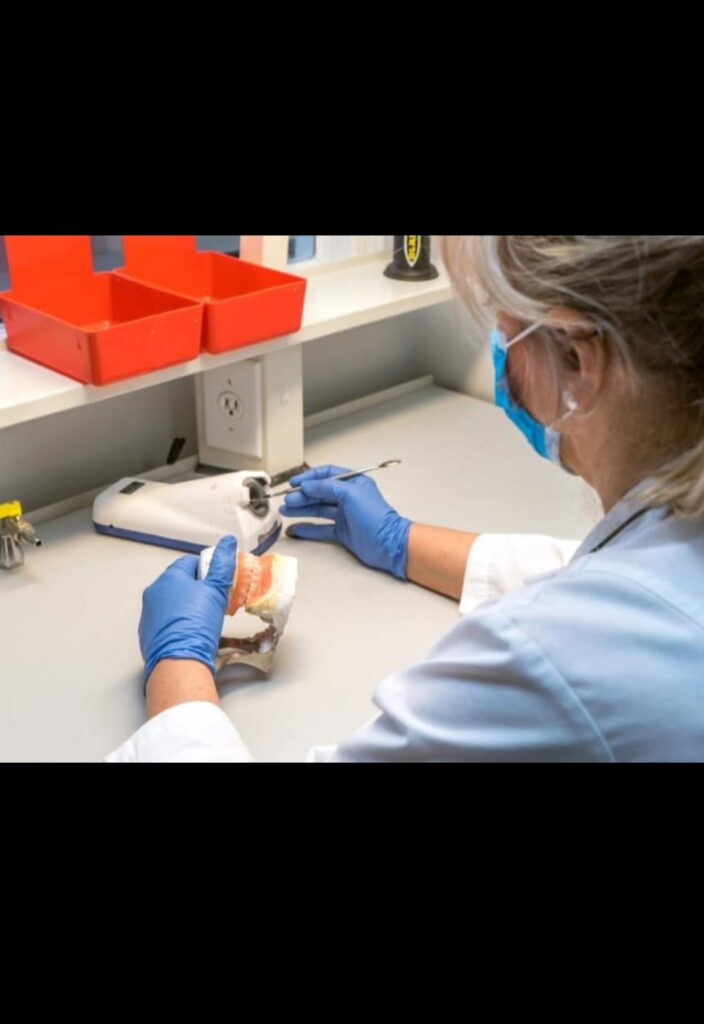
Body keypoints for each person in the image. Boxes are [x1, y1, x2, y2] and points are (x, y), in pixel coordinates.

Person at [106, 236, 704, 762]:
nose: (501, 355)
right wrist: (399, 539)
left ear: (578, 357)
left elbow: (581, 633)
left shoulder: (550, 661)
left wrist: (177, 668)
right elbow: (612, 576)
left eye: (504, 328)